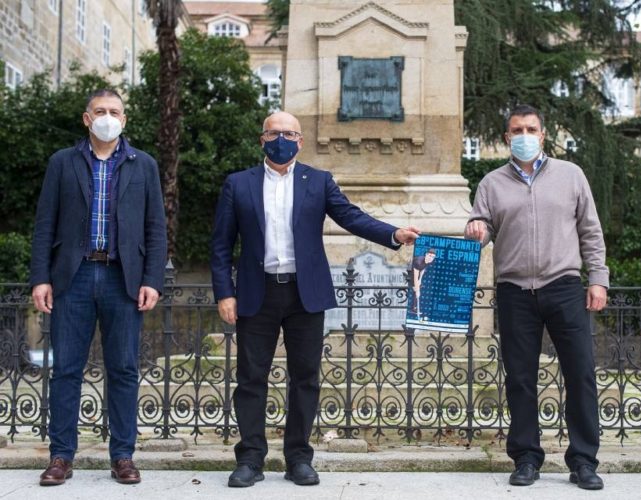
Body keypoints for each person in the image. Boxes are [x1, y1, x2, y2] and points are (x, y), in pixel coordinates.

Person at [210, 111, 420, 488]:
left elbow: (351, 217)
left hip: (304, 294)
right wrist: (225, 293)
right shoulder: (238, 184)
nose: (282, 139)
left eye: (289, 133)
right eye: (275, 133)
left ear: (301, 141)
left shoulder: (318, 181)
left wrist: (394, 234)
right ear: (262, 138)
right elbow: (221, 245)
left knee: (305, 377)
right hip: (256, 293)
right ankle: (251, 459)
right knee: (250, 378)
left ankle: (298, 458)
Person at [465, 104, 608, 490]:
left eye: (531, 128)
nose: (524, 135)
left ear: (543, 135)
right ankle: (526, 457)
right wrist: (475, 228)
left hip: (563, 285)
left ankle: (583, 461)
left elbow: (590, 231)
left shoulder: (571, 175)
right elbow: (481, 227)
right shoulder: (491, 183)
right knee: (521, 378)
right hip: (514, 291)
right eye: (516, 130)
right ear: (506, 137)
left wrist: (598, 279)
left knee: (580, 373)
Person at [30, 89, 167, 486]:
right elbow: (45, 225)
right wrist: (41, 277)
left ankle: (122, 456)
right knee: (66, 370)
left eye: (116, 111)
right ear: (87, 119)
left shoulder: (144, 165)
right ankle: (61, 456)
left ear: (125, 119)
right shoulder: (63, 163)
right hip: (72, 278)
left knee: (123, 369)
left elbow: (155, 228)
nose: (109, 117)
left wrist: (151, 280)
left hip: (121, 278)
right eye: (101, 111)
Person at [411, 248, 436, 317]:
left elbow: (423, 269)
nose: (431, 258)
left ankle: (414, 307)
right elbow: (415, 277)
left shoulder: (428, 261)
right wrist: (417, 290)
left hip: (417, 272)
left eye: (433, 257)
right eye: (430, 256)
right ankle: (413, 309)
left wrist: (420, 280)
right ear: (426, 255)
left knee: (418, 287)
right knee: (416, 290)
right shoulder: (418, 262)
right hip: (411, 272)